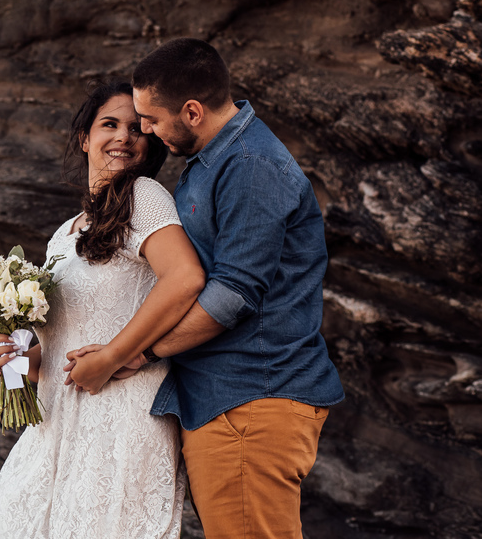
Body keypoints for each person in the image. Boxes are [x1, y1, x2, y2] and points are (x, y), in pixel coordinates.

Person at [70, 38, 344, 539]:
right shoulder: (210, 163)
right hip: (225, 400)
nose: (145, 131)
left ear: (192, 111)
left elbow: (232, 295)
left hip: (253, 398)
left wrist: (137, 353)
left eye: (150, 120)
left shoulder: (250, 165)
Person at [0, 81, 206, 539]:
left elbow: (185, 278)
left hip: (120, 415)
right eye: (110, 125)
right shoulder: (64, 234)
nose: (124, 136)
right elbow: (59, 350)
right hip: (56, 424)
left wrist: (112, 357)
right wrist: (19, 357)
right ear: (85, 138)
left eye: (137, 129)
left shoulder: (144, 197)